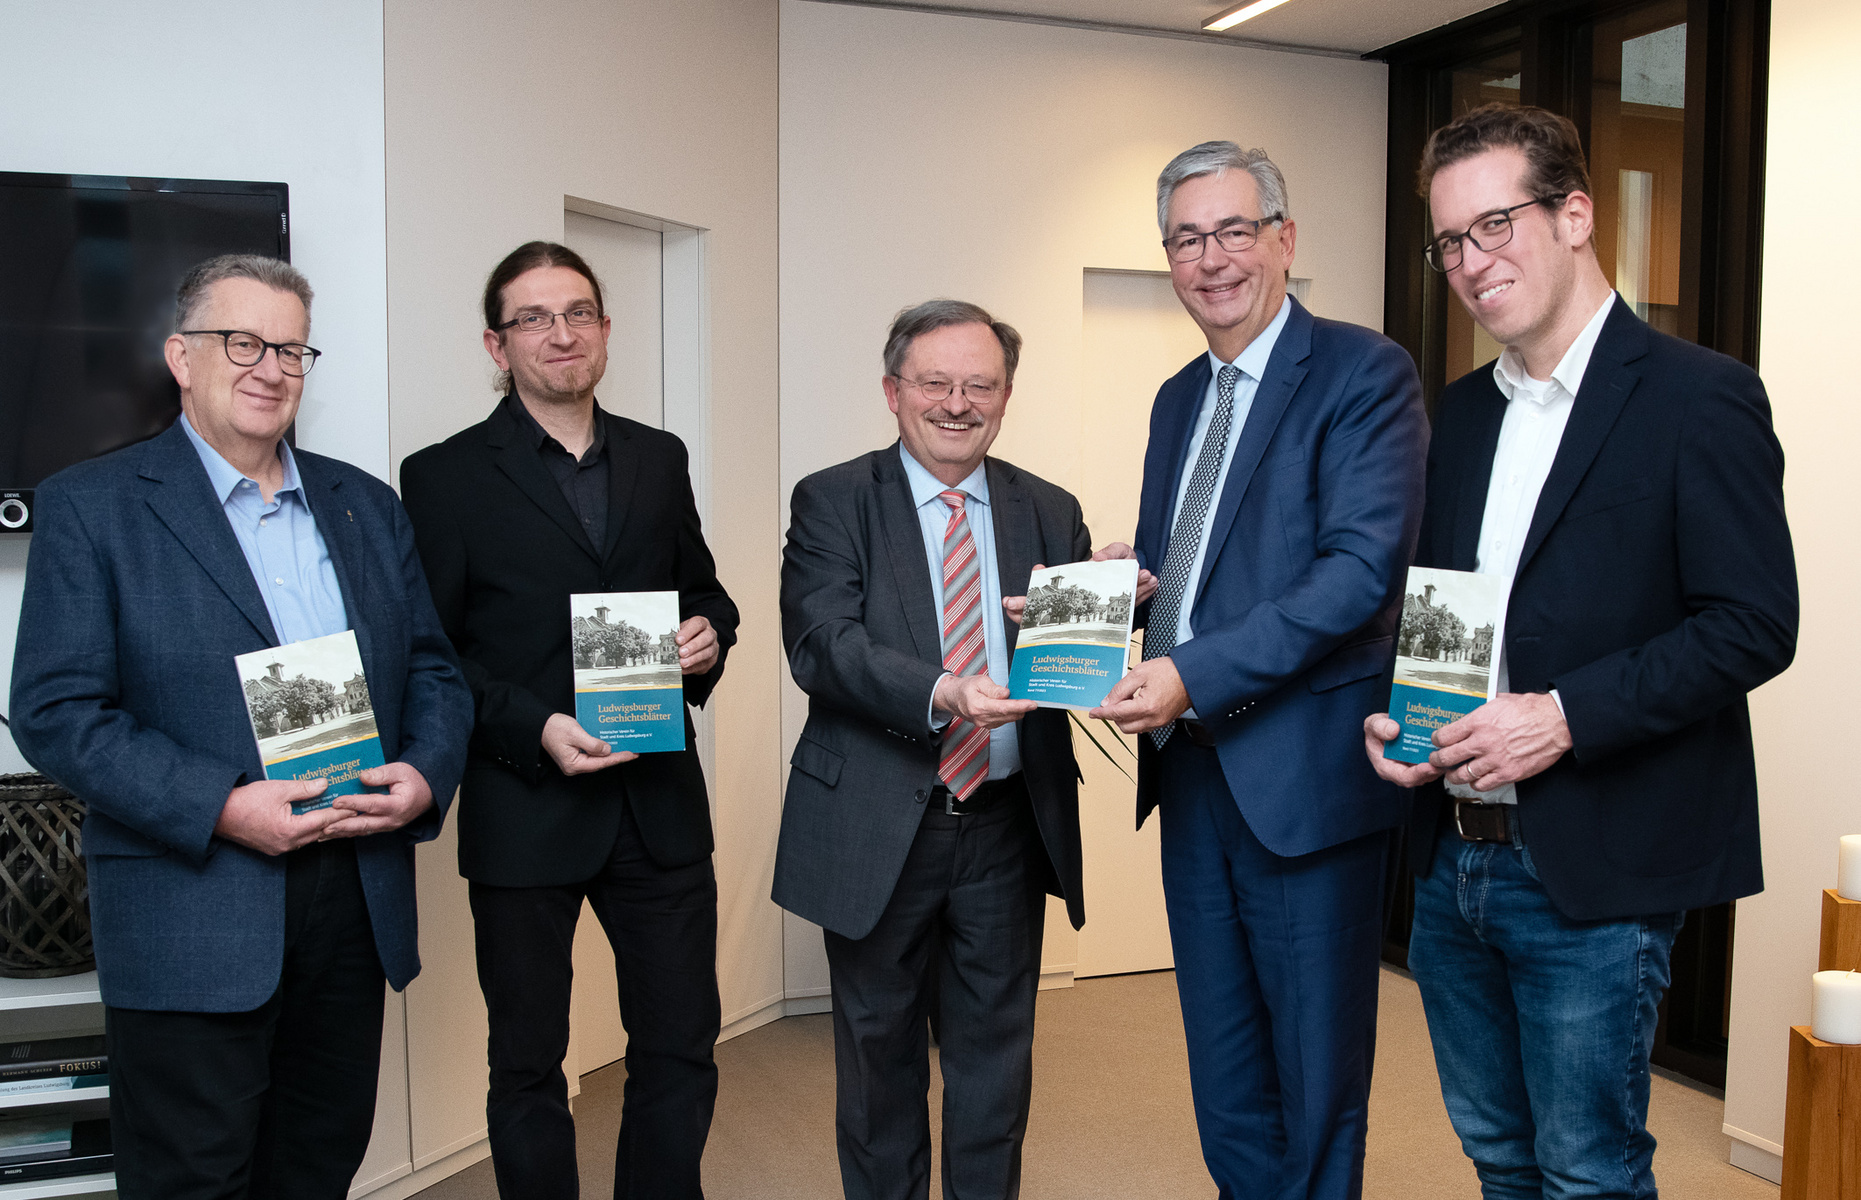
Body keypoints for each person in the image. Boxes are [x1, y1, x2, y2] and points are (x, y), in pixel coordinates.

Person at [1360, 103, 1797, 1198]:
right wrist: (1403, 715)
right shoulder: (1458, 414)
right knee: (1499, 1160)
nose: (1470, 260)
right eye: (1450, 239)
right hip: (1455, 853)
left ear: (1574, 215)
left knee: (1587, 1174)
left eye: (1494, 223)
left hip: (1596, 868)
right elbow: (1452, 609)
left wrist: (1562, 715)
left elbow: (1752, 624)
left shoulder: (1700, 398)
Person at [8, 254, 473, 1199]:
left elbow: (432, 668)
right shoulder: (90, 506)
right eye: (242, 342)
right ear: (182, 356)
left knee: (315, 1164)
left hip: (353, 891)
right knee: (194, 1180)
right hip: (195, 903)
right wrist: (222, 805)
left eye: (292, 348)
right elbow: (54, 712)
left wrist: (425, 774)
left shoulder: (364, 504)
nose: (270, 367)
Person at [1088, 143, 1427, 1200]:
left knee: (1314, 1068)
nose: (1211, 258)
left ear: (1283, 238)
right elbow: (1190, 562)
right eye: (1187, 238)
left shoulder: (1363, 373)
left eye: (1235, 230)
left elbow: (1361, 575)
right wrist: (1117, 591)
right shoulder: (1175, 397)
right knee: (1223, 1056)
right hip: (1191, 773)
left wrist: (1191, 671)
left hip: (1304, 777)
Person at [398, 241, 738, 1200]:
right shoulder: (442, 477)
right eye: (534, 318)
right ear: (496, 345)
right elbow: (431, 652)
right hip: (525, 805)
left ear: (603, 329)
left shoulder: (656, 457)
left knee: (679, 1048)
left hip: (659, 809)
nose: (561, 333)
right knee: (529, 1065)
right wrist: (530, 725)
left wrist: (708, 635)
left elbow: (707, 593)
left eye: (578, 312)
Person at [774, 300, 1118, 1200]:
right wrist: (944, 691)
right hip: (879, 819)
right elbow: (821, 642)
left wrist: (1118, 597)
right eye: (935, 382)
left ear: (1005, 395)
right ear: (894, 392)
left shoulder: (1048, 508)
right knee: (878, 1057)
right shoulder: (834, 498)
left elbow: (1074, 666)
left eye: (980, 384)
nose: (957, 403)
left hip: (1005, 826)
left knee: (994, 1064)